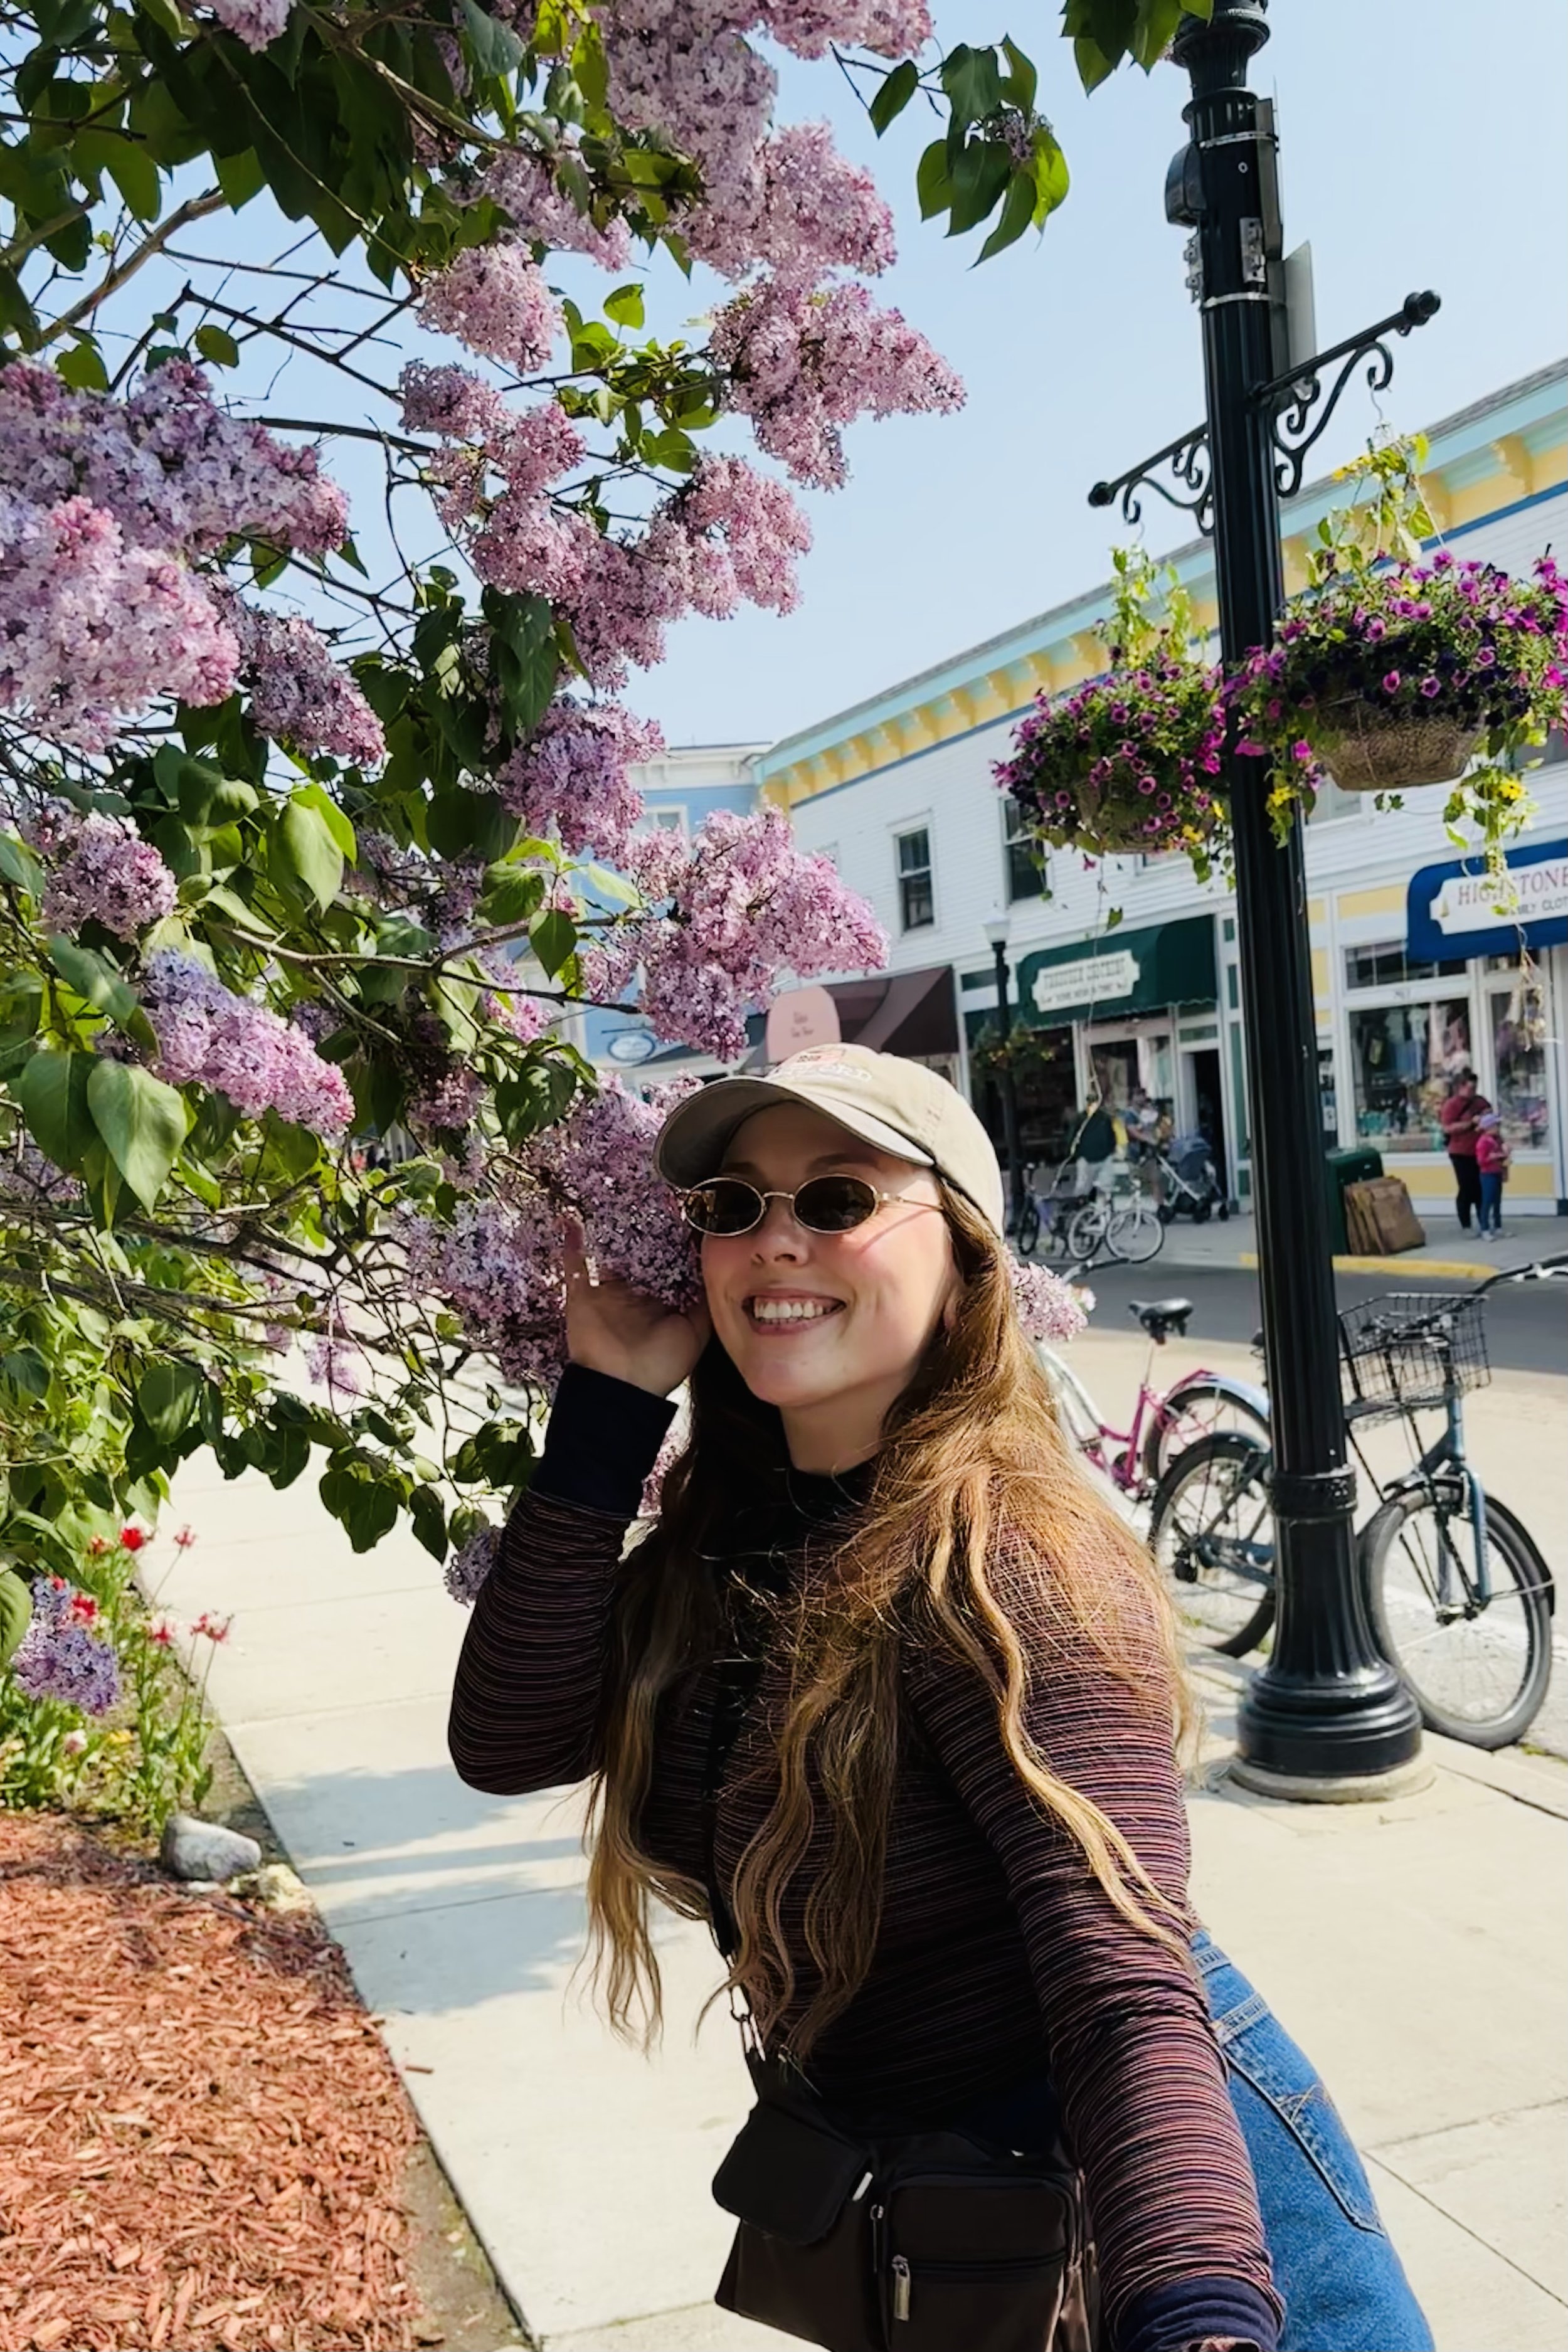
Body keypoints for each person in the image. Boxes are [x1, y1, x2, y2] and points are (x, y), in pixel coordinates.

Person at [450, 1045, 1433, 2352]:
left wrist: (1196, 2314)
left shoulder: (1009, 1560)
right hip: (964, 2222)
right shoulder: (737, 1543)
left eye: (838, 1200)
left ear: (964, 1253)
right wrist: (607, 1410)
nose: (774, 1242)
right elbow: (509, 1743)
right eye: (732, 1208)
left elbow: (1121, 1987)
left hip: (1178, 2234)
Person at [1438, 1071, 1491, 1231]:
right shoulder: (1452, 1105)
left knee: (1481, 1187)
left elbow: (1491, 1118)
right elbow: (1447, 1128)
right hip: (1460, 1152)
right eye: (1470, 1088)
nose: (1473, 1092)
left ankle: (1484, 1222)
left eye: (1475, 1088)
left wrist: (1488, 1119)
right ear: (1460, 1087)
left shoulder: (1480, 1102)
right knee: (1467, 1187)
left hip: (1479, 1150)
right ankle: (1466, 1223)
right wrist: (1470, 1123)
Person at [1475, 1110, 1510, 1238]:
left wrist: (1505, 1153)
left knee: (1497, 1201)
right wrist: (1494, 1156)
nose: (1498, 1128)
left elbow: (1502, 1153)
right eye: (1496, 1126)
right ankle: (1485, 1228)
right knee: (1487, 1201)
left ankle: (1498, 1226)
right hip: (1487, 1174)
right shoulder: (1483, 1142)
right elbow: (1481, 1161)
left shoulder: (1496, 1140)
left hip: (1497, 1172)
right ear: (1488, 1127)